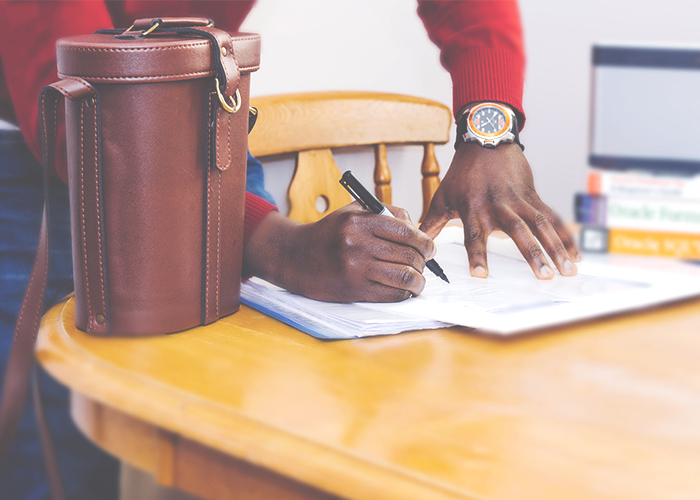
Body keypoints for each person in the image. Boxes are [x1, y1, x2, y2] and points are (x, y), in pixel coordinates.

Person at [0, 0, 580, 497]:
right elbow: (71, 105)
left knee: (225, 423)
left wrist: (490, 127)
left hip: (195, 117)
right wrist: (278, 248)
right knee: (54, 450)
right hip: (44, 147)